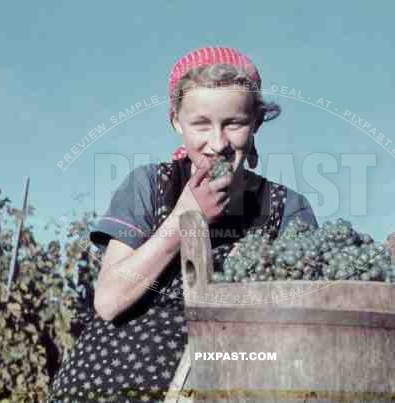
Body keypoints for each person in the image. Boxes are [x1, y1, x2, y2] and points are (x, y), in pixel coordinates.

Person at [48, 46, 318, 403]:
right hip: (112, 381)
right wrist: (183, 221)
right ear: (177, 122)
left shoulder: (287, 208)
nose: (218, 143)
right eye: (201, 124)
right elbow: (109, 301)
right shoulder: (147, 185)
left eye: (234, 123)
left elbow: (304, 322)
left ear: (255, 122)